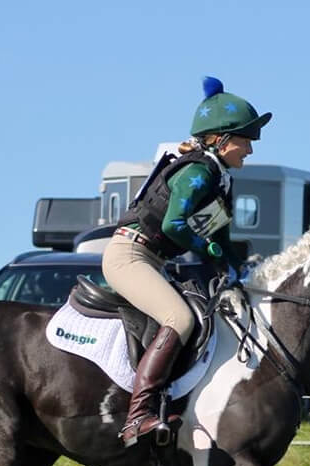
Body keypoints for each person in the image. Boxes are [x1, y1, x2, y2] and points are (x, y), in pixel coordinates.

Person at [102, 76, 271, 446]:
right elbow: (173, 224)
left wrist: (236, 272)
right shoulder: (196, 172)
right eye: (246, 141)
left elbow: (221, 237)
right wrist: (206, 249)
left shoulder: (220, 179)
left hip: (152, 259)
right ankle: (138, 416)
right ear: (222, 139)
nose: (250, 151)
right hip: (129, 255)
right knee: (178, 318)